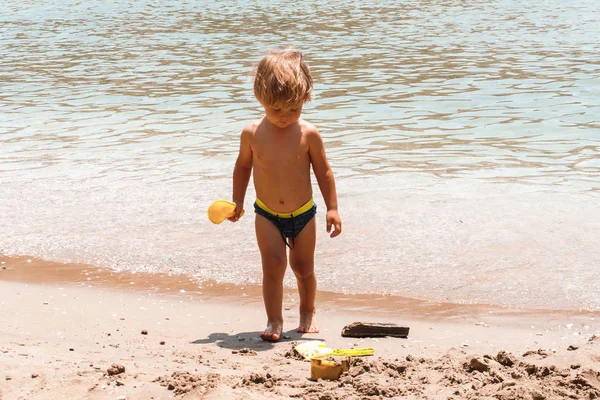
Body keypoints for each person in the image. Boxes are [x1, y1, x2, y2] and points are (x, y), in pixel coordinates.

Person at [228, 48, 342, 342]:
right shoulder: (252, 133)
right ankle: (274, 320)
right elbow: (242, 167)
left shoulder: (308, 134)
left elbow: (324, 172)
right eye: (276, 110)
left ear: (305, 101)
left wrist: (333, 208)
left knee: (304, 268)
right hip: (266, 213)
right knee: (273, 267)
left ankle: (307, 310)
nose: (284, 117)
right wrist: (237, 202)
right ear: (261, 99)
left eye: (293, 109)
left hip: (303, 213)